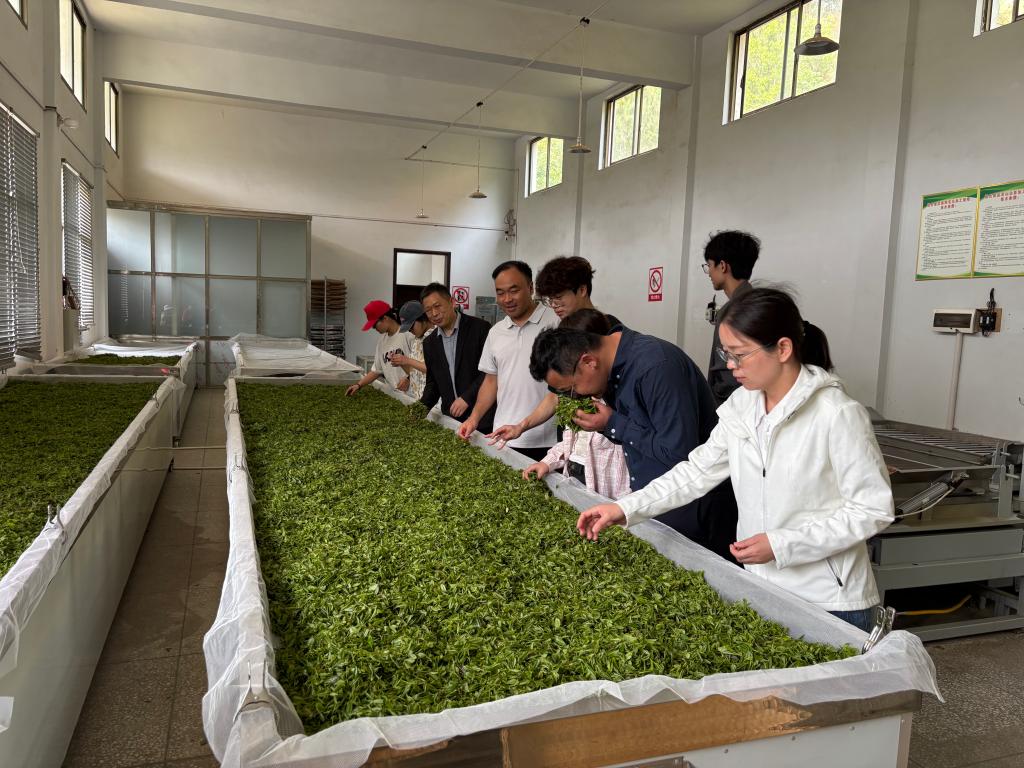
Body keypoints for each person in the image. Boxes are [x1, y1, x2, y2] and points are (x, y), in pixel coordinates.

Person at [576, 288, 893, 632]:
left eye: (739, 355)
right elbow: (695, 471)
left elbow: (872, 509)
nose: (730, 365)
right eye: (726, 353)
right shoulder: (741, 407)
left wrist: (782, 544)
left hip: (830, 599)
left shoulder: (836, 414)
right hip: (762, 588)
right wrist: (624, 509)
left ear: (783, 349)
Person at [529, 319, 739, 562]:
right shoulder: (613, 369)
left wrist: (613, 424)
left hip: (694, 509)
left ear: (588, 361)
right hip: (655, 499)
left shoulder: (656, 368)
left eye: (572, 389)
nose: (576, 397)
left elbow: (679, 455)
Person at [522, 309, 630, 500]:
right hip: (575, 481)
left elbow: (627, 464)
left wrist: (623, 506)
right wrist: (547, 462)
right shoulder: (576, 396)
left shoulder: (619, 401)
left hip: (609, 499)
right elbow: (569, 442)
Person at [457, 261, 558, 462]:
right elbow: (491, 381)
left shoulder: (556, 323)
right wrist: (473, 418)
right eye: (500, 293)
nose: (507, 299)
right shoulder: (496, 332)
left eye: (514, 290)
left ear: (531, 288)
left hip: (546, 440)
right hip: (504, 436)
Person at [418, 283, 496, 433]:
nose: (434, 313)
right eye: (428, 310)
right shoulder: (430, 343)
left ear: (452, 302)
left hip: (483, 419)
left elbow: (490, 372)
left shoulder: (480, 328)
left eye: (437, 306)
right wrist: (419, 410)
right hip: (452, 419)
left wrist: (467, 398)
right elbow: (433, 384)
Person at [704, 231, 759, 406]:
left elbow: (726, 375)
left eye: (709, 265)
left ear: (722, 266)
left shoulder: (733, 311)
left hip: (733, 406)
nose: (708, 272)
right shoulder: (759, 302)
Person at [345, 300, 414, 396]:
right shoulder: (382, 341)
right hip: (395, 395)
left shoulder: (408, 335)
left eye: (374, 325)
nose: (374, 329)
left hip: (412, 394)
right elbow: (376, 370)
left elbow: (424, 365)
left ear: (385, 318)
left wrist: (409, 378)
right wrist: (358, 385)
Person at [535, 256, 621, 327]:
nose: (553, 305)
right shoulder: (559, 329)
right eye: (550, 299)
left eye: (558, 297)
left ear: (582, 290)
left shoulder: (610, 327)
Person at [389, 300, 433, 401]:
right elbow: (414, 371)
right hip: (419, 398)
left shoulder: (435, 337)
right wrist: (401, 363)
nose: (410, 331)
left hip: (434, 401)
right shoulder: (417, 339)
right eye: (408, 329)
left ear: (422, 318)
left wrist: (407, 360)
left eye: (411, 326)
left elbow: (434, 369)